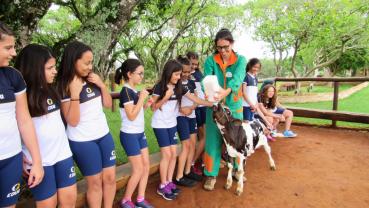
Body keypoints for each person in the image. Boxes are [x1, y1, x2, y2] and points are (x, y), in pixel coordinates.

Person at [16, 44, 77, 207]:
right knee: (48, 204)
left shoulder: (52, 90)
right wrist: (19, 155)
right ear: (34, 69)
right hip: (39, 161)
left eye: (54, 67)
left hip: (62, 155)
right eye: (50, 68)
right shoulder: (21, 97)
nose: (55, 71)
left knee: (69, 200)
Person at [56, 41, 116, 208]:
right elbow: (73, 121)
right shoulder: (64, 86)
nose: (90, 66)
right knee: (95, 182)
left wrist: (101, 85)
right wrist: (75, 94)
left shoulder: (92, 79)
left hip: (103, 135)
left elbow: (108, 104)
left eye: (92, 62)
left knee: (110, 178)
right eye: (87, 62)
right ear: (73, 60)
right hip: (83, 141)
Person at [151, 60, 212, 200]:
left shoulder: (179, 87)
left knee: (173, 154)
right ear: (169, 72)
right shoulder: (159, 87)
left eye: (180, 74)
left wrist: (212, 103)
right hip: (160, 124)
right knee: (167, 155)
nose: (179, 77)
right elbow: (153, 107)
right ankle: (162, 185)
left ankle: (169, 182)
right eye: (177, 74)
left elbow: (195, 98)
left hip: (171, 124)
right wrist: (166, 96)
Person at [0, 21, 44, 208]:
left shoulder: (13, 76)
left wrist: (37, 161)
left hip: (11, 159)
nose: (14, 53)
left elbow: (24, 120)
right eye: (8, 47)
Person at [202, 28, 246, 191]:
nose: (223, 51)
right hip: (215, 108)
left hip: (234, 107)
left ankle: (237, 170)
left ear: (232, 44)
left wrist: (227, 91)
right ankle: (211, 174)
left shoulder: (241, 60)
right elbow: (206, 79)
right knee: (212, 141)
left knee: (237, 140)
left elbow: (238, 78)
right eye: (220, 48)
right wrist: (208, 92)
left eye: (226, 47)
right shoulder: (210, 60)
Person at [114, 59, 153, 208]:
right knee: (138, 169)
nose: (142, 77)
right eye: (140, 73)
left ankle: (140, 198)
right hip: (129, 135)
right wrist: (142, 98)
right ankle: (126, 200)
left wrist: (145, 105)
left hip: (139, 133)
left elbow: (136, 112)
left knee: (146, 166)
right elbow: (130, 115)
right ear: (129, 74)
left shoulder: (133, 91)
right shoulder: (126, 91)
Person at [174, 56, 204, 188]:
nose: (186, 74)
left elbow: (197, 99)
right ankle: (179, 176)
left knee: (192, 145)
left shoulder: (191, 83)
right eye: (184, 72)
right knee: (185, 146)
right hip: (181, 118)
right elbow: (174, 103)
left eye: (188, 71)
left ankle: (187, 170)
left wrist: (191, 108)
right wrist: (182, 109)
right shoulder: (176, 84)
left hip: (191, 116)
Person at [186, 51, 206, 175]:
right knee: (201, 137)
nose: (194, 66)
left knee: (203, 137)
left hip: (203, 106)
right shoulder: (185, 75)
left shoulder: (199, 74)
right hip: (193, 109)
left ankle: (202, 162)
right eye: (191, 63)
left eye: (196, 64)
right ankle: (192, 162)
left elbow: (203, 89)